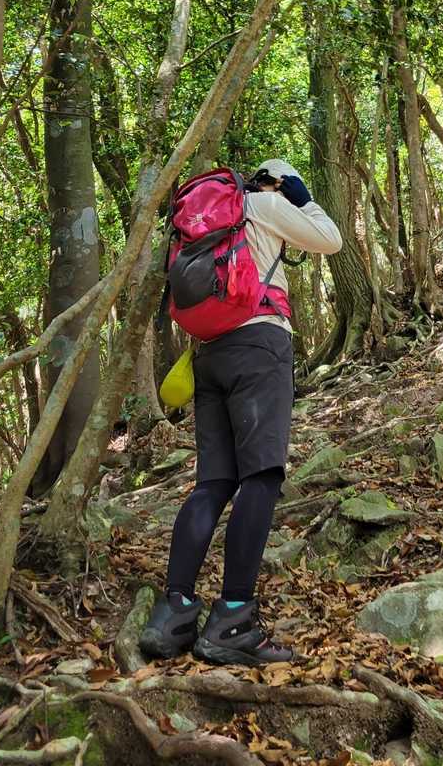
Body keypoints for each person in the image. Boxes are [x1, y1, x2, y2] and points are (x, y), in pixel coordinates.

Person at [140, 158, 342, 666]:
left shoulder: (205, 222)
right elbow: (330, 240)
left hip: (208, 354)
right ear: (277, 183)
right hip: (260, 344)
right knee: (261, 477)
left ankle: (173, 613)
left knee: (212, 483)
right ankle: (233, 618)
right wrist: (301, 195)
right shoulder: (266, 206)